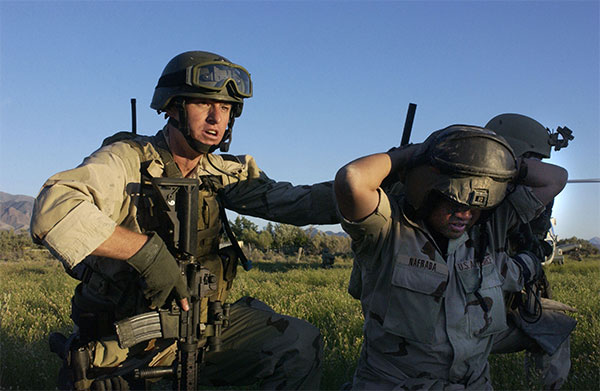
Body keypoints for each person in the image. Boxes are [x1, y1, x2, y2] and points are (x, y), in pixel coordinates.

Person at [31, 51, 338, 390]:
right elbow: (54, 209)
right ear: (172, 107)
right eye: (203, 104)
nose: (215, 118)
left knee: (297, 343)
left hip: (202, 328)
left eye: (225, 108)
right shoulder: (127, 161)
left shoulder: (220, 173)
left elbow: (299, 202)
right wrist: (145, 254)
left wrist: (378, 187)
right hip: (128, 345)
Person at [334, 125, 568, 390]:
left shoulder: (490, 227)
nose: (465, 214)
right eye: (454, 203)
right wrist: (414, 154)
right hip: (397, 384)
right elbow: (352, 179)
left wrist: (496, 162)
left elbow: (556, 178)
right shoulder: (389, 230)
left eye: (476, 205)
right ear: (426, 191)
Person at [486, 113, 577, 390]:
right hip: (467, 322)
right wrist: (527, 264)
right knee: (555, 329)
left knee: (554, 325)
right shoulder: (494, 208)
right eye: (533, 161)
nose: (538, 170)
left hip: (486, 315)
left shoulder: (506, 206)